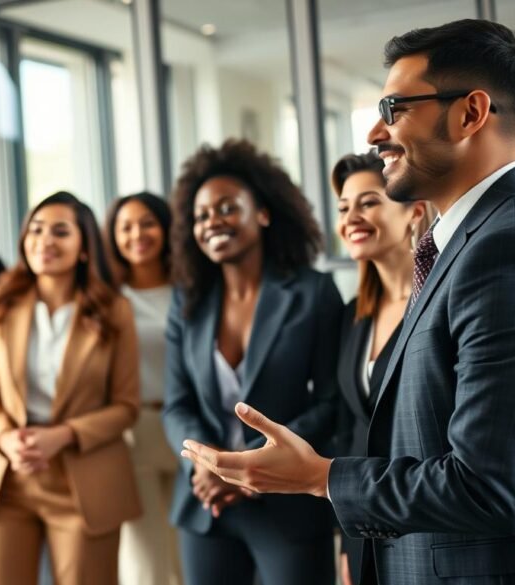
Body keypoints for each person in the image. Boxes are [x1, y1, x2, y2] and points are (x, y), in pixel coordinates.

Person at [182, 19, 515, 585]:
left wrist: (319, 476)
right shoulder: (473, 240)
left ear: (470, 113)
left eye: (394, 108)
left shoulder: (511, 247)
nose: (373, 132)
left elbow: (488, 488)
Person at [162, 139, 341, 585]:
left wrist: (248, 466)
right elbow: (177, 405)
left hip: (288, 502)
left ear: (262, 213)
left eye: (227, 208)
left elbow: (332, 403)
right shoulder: (188, 302)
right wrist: (205, 464)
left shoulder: (313, 292)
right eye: (201, 215)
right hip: (207, 503)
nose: (212, 222)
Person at [0, 191, 142, 585]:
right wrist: (6, 437)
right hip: (8, 476)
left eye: (60, 232)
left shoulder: (114, 310)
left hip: (85, 481)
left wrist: (62, 435)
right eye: (36, 230)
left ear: (84, 247)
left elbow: (126, 406)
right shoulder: (1, 301)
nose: (44, 240)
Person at [330, 151, 430, 584]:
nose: (351, 217)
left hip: (426, 520)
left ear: (415, 212)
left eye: (369, 202)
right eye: (343, 208)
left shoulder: (435, 304)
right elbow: (348, 432)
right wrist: (344, 536)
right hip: (365, 525)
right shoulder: (354, 315)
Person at [103, 192, 181, 585]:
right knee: (145, 562)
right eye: (126, 227)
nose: (137, 234)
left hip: (187, 428)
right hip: (134, 430)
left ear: (166, 228)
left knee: (189, 556)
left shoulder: (190, 290)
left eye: (147, 223)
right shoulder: (108, 298)